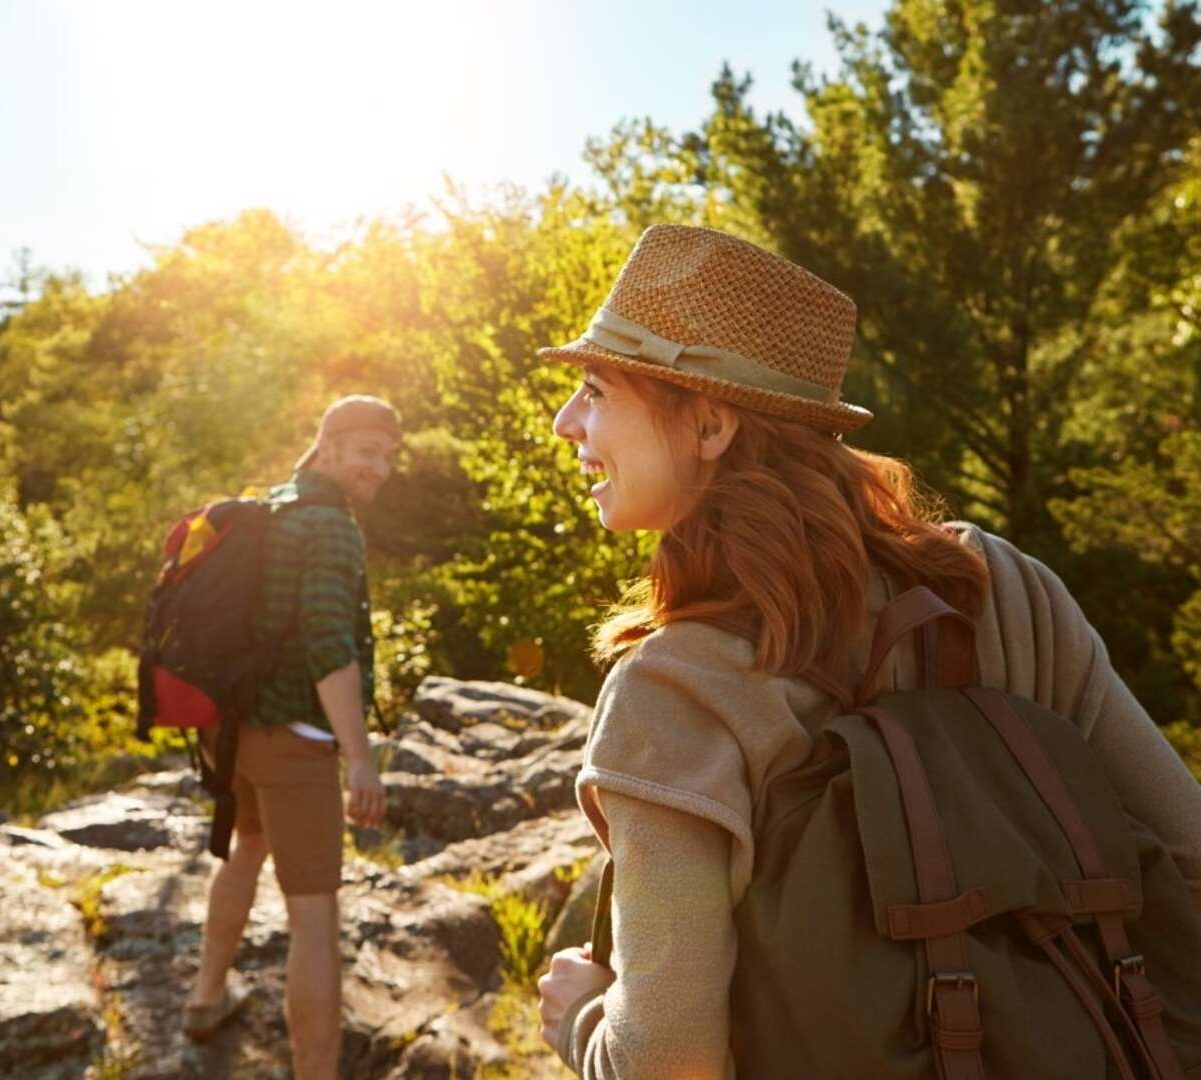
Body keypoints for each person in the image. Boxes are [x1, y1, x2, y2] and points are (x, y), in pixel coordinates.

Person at [533, 224, 1201, 1078]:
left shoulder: (676, 692)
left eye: (595, 388)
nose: (565, 421)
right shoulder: (1002, 589)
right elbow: (1186, 855)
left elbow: (670, 1059)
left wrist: (581, 1021)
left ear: (708, 424)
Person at [183, 394, 400, 1078]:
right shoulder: (331, 527)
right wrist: (359, 759)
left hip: (233, 726)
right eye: (368, 450)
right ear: (329, 447)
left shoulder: (275, 504)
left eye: (390, 456)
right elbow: (328, 644)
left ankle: (205, 998)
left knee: (245, 849)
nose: (381, 468)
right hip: (294, 740)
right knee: (314, 920)